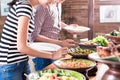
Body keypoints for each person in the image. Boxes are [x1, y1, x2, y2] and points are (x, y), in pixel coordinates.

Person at [0, 0, 68, 80]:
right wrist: (52, 55)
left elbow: (23, 42)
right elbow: (22, 47)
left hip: (21, 61)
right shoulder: (25, 7)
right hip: (11, 65)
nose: (54, 0)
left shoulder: (29, 7)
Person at [29, 0, 77, 71]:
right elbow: (34, 36)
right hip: (42, 54)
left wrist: (67, 27)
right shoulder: (42, 7)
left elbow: (54, 21)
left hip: (54, 50)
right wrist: (61, 43)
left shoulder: (58, 4)